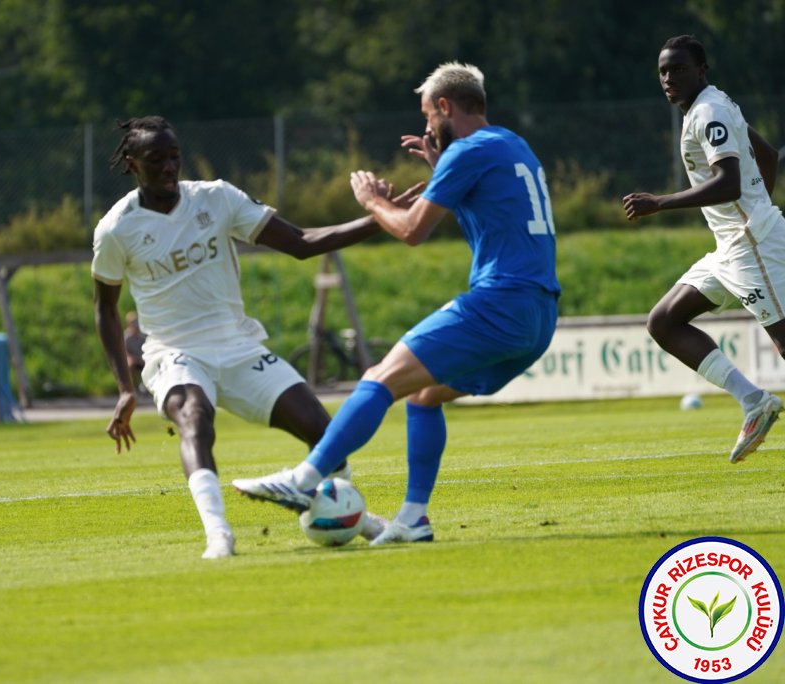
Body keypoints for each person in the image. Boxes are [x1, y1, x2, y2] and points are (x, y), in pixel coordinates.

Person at [233, 62, 561, 545]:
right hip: (539, 314)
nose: (427, 126)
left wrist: (370, 201)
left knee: (379, 378)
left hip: (501, 301)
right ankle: (412, 518)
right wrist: (439, 170)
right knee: (423, 396)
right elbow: (492, 208)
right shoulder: (513, 145)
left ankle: (302, 481)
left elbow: (410, 231)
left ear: (445, 107)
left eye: (428, 115)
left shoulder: (468, 151)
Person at [92, 116, 420, 559]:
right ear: (132, 164)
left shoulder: (216, 198)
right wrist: (124, 390)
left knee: (325, 431)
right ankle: (219, 535)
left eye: (175, 158)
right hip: (174, 352)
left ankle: (356, 522)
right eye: (156, 160)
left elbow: (301, 242)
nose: (169, 168)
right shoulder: (116, 229)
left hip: (238, 346)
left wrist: (377, 221)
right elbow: (105, 308)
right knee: (193, 417)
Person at [622, 35, 785, 463]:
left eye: (678, 69)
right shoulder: (712, 105)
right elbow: (767, 155)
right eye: (663, 70)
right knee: (664, 321)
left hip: (752, 245)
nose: (668, 78)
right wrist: (755, 208)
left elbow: (728, 180)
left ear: (701, 70)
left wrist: (660, 202)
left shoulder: (708, 110)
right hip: (733, 245)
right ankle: (755, 401)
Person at [122, 311, 148, 396]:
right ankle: (131, 387)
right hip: (132, 360)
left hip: (142, 360)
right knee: (130, 364)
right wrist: (135, 359)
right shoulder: (126, 337)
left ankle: (145, 386)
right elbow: (125, 353)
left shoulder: (142, 337)